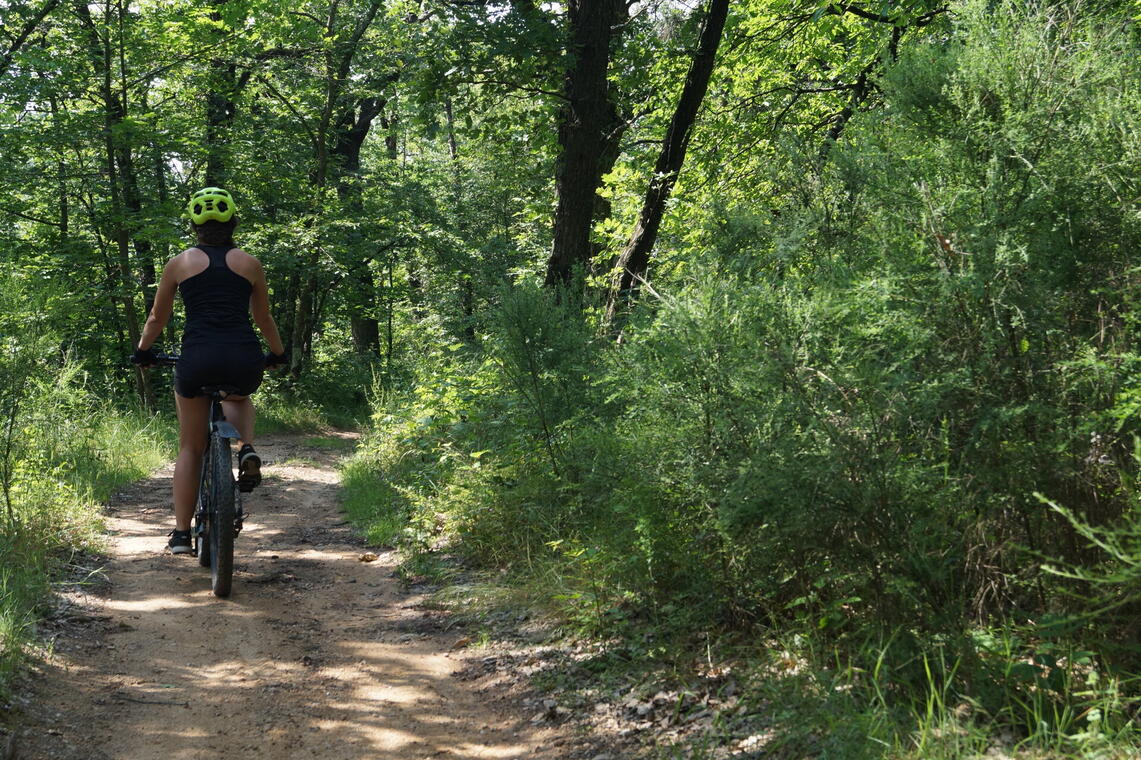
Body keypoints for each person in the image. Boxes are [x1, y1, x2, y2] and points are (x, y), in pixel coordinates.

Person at [132, 187, 287, 554]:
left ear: (194, 226)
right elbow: (262, 317)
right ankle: (245, 446)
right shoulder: (249, 263)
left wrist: (142, 351)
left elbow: (158, 316)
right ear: (233, 223)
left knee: (190, 446)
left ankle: (182, 534)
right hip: (241, 356)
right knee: (238, 393)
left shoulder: (179, 263)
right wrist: (279, 353)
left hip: (197, 357)